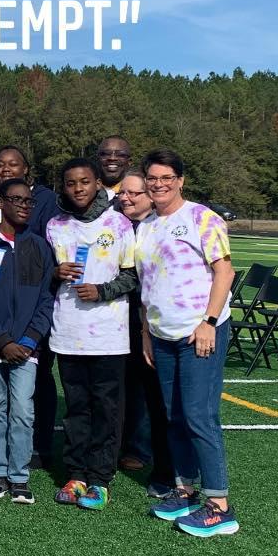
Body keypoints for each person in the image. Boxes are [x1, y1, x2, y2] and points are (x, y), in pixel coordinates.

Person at [136, 149, 239, 537]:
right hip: (161, 334)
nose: (158, 184)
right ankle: (185, 490)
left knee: (199, 415)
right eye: (152, 178)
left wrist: (209, 321)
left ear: (180, 180)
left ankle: (219, 506)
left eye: (166, 177)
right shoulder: (146, 225)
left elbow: (224, 271)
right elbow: (147, 284)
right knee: (173, 415)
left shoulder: (201, 217)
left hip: (199, 331)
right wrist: (146, 331)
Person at [46, 158, 138, 511]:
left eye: (84, 181)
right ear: (64, 187)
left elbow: (132, 275)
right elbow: (44, 276)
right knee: (76, 407)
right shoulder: (55, 225)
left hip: (109, 336)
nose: (78, 188)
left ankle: (100, 478)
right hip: (68, 331)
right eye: (71, 183)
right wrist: (56, 273)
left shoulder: (118, 223)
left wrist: (102, 291)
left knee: (106, 408)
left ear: (98, 183)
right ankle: (76, 473)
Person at [0, 145, 62, 468]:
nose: (22, 206)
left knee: (23, 407)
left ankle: (20, 470)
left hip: (28, 344)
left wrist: (30, 339)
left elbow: (45, 296)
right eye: (15, 200)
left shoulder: (39, 247)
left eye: (27, 201)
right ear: (0, 203)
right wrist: (2, 340)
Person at [115, 170, 174, 496]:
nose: (125, 198)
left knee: (156, 398)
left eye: (134, 193)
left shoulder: (159, 227)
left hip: (152, 325)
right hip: (115, 323)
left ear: (150, 197)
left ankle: (163, 470)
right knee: (119, 391)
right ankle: (117, 451)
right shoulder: (114, 224)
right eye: (123, 192)